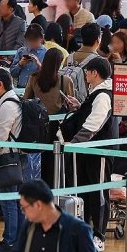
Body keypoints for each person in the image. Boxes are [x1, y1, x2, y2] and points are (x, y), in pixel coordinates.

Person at [61, 57, 117, 251]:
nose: (85, 75)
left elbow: (95, 124)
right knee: (85, 191)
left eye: (87, 71)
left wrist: (74, 142)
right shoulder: (96, 93)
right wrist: (79, 107)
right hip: (87, 151)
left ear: (95, 73)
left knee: (99, 193)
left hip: (99, 151)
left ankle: (99, 235)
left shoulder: (103, 95)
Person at [0, 68, 24, 252]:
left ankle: (10, 241)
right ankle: (18, 240)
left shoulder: (7, 105)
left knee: (9, 201)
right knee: (15, 201)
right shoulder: (13, 101)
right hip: (16, 156)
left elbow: (1, 133)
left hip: (7, 157)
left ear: (0, 84)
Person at [23, 48, 74, 186]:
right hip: (56, 128)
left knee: (37, 162)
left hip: (37, 126)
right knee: (54, 163)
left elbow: (26, 99)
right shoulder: (65, 80)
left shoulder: (34, 78)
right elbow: (71, 106)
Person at [9, 24, 47, 88]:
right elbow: (13, 73)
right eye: (29, 40)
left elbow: (48, 76)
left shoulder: (46, 53)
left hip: (36, 90)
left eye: (34, 40)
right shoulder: (21, 51)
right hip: (20, 87)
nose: (31, 43)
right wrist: (20, 64)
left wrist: (39, 65)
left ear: (41, 38)